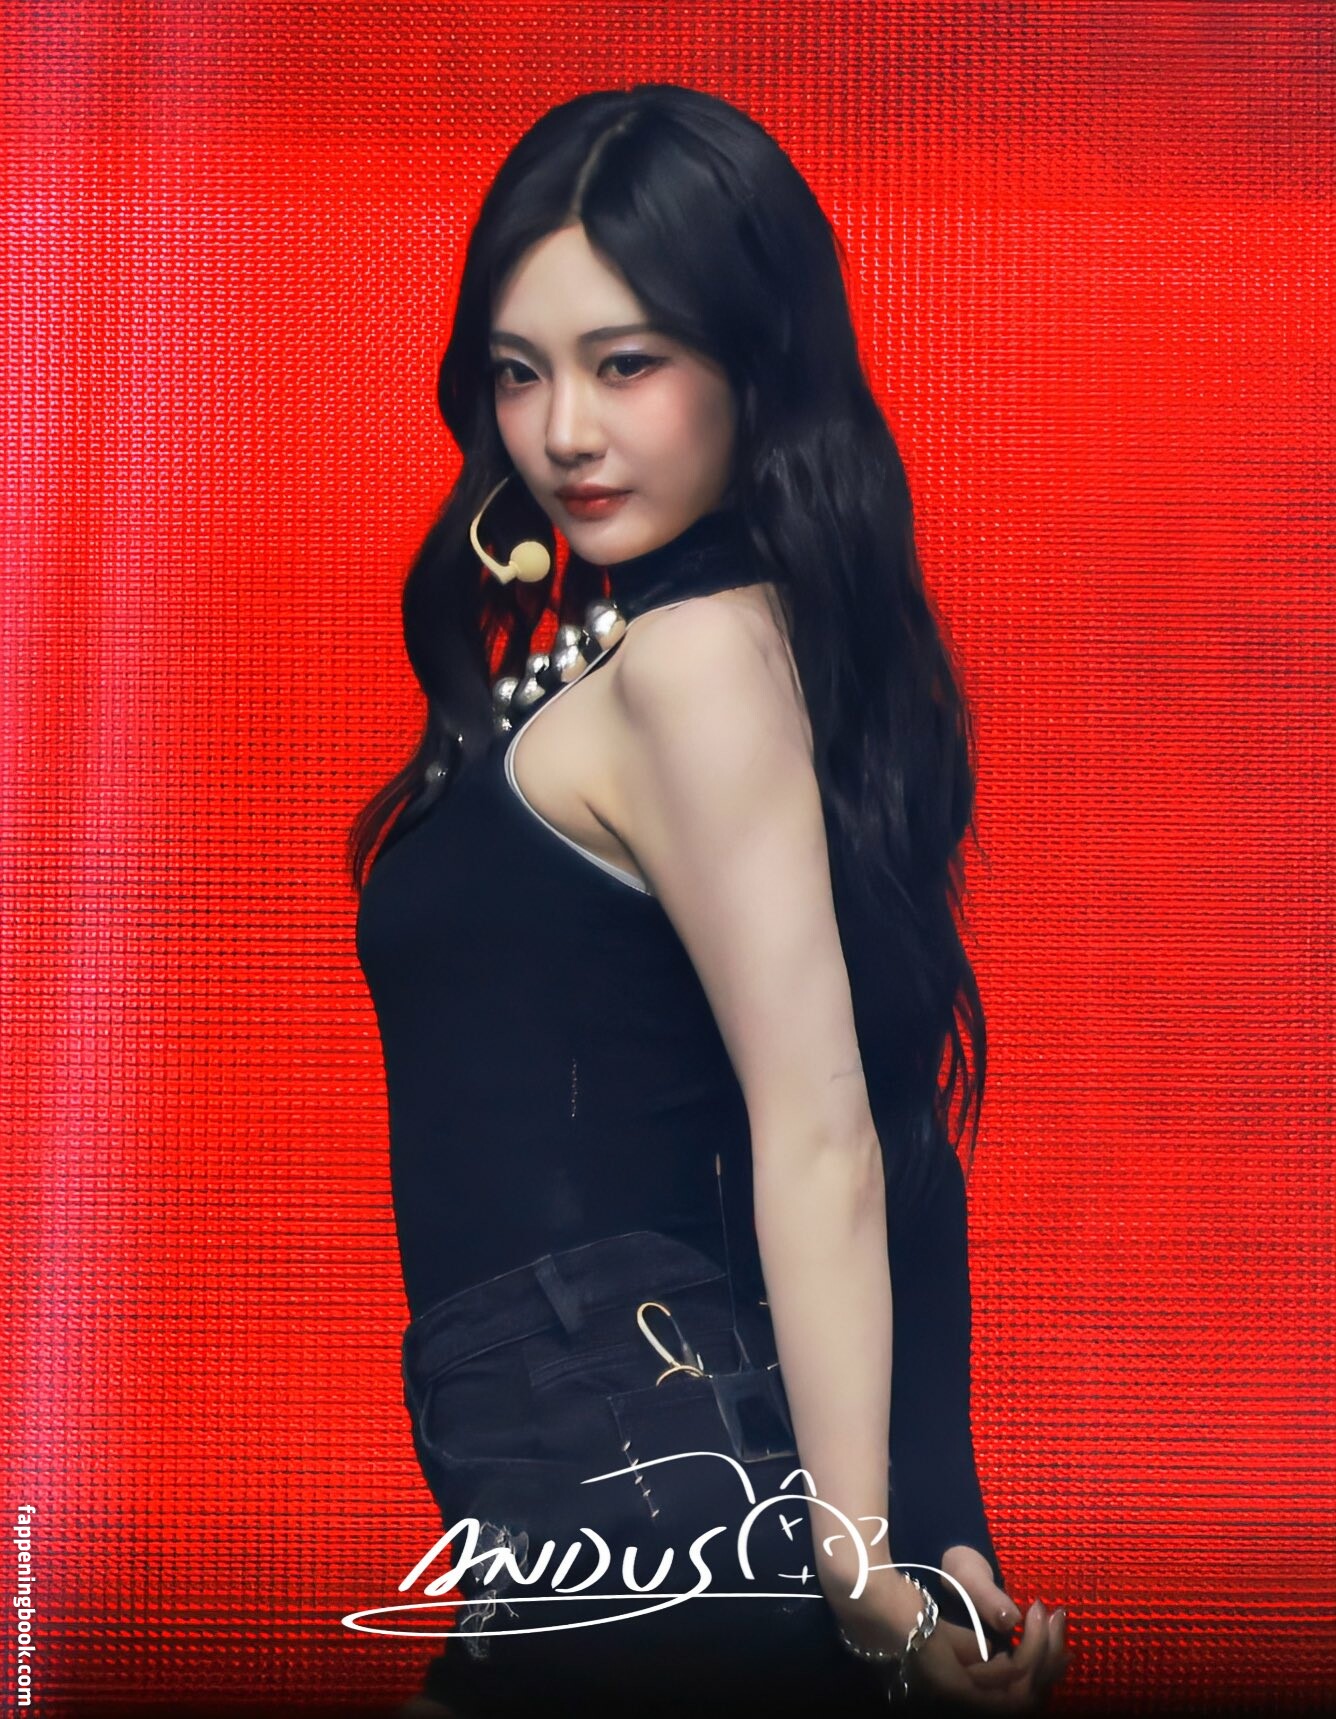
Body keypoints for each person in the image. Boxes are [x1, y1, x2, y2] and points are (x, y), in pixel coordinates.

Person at [351, 84, 1072, 1718]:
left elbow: (826, 1132)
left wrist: (869, 1568)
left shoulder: (694, 664)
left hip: (646, 1504)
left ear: (756, 364)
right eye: (519, 371)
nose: (563, 433)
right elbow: (889, 1128)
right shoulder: (663, 648)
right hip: (593, 1507)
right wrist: (930, 1530)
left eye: (626, 364)